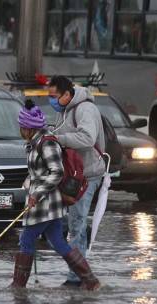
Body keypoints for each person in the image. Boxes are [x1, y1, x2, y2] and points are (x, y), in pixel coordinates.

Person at [10, 99, 101, 291]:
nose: (19, 130)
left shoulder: (47, 143)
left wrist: (37, 193)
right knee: (58, 241)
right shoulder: (34, 143)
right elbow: (39, 172)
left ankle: (18, 287)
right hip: (44, 202)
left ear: (28, 127)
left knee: (26, 239)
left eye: (21, 126)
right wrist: (29, 184)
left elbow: (57, 172)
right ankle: (91, 281)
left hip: (45, 203)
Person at [47, 75, 106, 287]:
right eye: (49, 96)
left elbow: (87, 138)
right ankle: (81, 239)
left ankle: (77, 278)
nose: (51, 100)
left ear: (67, 94)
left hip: (88, 175)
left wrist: (58, 139)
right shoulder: (63, 110)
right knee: (58, 220)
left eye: (54, 96)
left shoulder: (85, 109)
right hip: (71, 175)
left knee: (76, 224)